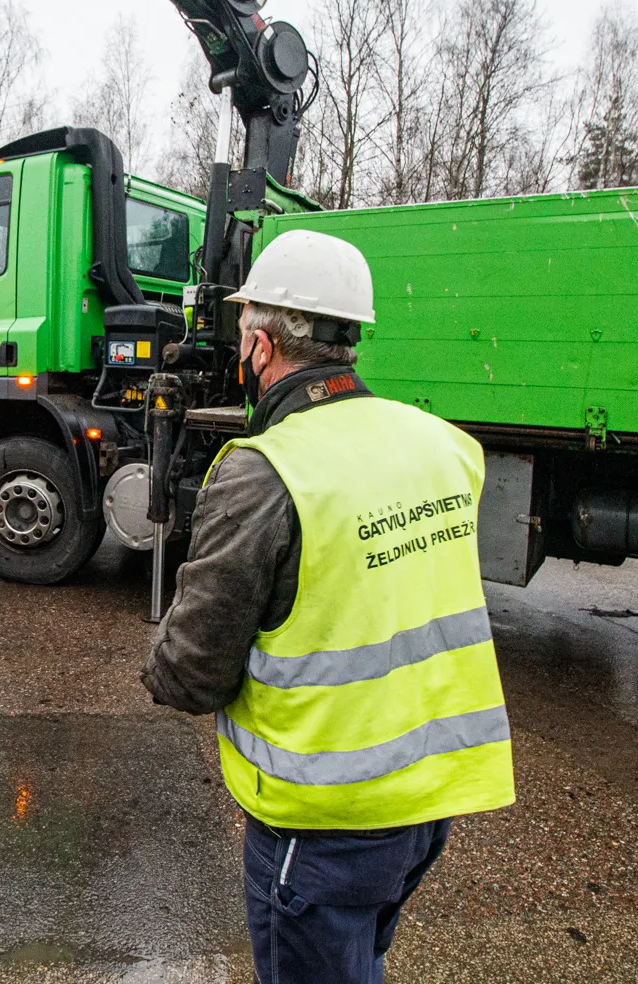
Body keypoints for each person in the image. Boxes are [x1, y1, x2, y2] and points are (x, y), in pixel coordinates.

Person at [142, 229, 516, 984]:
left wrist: (159, 671)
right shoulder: (443, 445)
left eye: (245, 330)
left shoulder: (263, 473)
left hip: (321, 824)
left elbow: (190, 672)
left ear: (260, 346)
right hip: (425, 807)